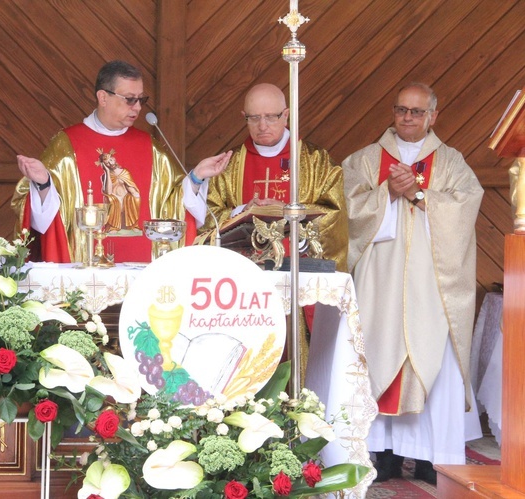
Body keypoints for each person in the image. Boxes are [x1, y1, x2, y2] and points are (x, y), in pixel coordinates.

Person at [342, 82, 483, 484]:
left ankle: (431, 457)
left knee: (434, 361)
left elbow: (465, 206)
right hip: (380, 281)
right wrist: (388, 190)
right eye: (401, 109)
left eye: (417, 112)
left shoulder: (452, 162)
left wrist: (419, 195)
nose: (408, 117)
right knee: (379, 355)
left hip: (432, 282)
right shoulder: (366, 159)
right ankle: (383, 456)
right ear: (393, 111)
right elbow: (346, 210)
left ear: (433, 116)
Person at [11, 60, 231, 263]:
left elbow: (173, 206)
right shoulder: (66, 147)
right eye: (129, 99)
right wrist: (43, 184)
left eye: (141, 99)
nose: (137, 107)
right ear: (103, 97)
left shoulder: (151, 147)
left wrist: (196, 178)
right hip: (82, 269)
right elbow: (45, 223)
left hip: (142, 271)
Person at [199, 83, 348, 272]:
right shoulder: (229, 164)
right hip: (244, 273)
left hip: (298, 271)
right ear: (244, 117)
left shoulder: (316, 160)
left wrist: (292, 214)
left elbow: (335, 215)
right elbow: (208, 218)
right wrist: (242, 211)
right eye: (254, 118)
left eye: (270, 117)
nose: (262, 126)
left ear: (285, 115)